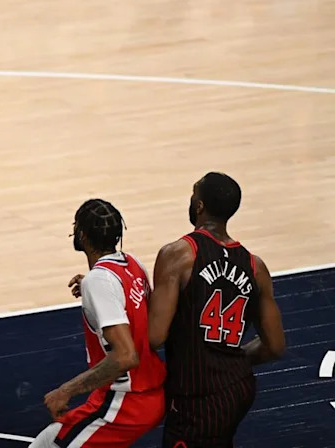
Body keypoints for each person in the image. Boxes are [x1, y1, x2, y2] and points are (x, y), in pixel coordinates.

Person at [149, 172, 286, 447]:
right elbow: (275, 346)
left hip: (197, 395)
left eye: (193, 194)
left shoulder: (178, 254)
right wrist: (230, 361)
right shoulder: (255, 266)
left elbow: (155, 336)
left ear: (199, 206)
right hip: (238, 388)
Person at [29, 199, 166, 448]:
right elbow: (134, 310)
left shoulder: (99, 281)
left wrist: (66, 390)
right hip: (149, 392)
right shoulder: (134, 265)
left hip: (126, 403)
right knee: (43, 444)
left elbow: (126, 356)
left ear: (81, 235)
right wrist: (93, 289)